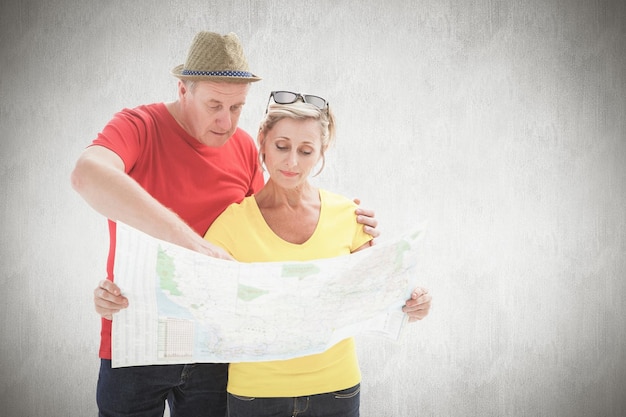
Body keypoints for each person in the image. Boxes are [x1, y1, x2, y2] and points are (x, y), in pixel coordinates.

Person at [70, 32, 381, 417]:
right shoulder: (139, 126)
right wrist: (192, 244)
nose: (225, 121)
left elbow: (265, 230)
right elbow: (86, 175)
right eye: (214, 104)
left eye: (236, 108)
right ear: (183, 90)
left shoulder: (245, 147)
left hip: (213, 349)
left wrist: (350, 230)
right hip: (138, 339)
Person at [203, 91, 432, 417]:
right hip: (256, 396)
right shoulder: (230, 225)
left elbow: (380, 299)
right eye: (282, 146)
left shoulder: (349, 216)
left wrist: (415, 303)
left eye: (306, 151)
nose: (292, 162)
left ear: (322, 153)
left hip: (336, 393)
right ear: (263, 141)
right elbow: (205, 312)